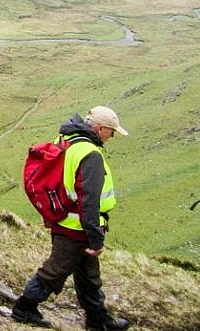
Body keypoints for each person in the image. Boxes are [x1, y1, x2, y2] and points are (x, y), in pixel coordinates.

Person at [11, 106, 130, 330]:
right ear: (100, 128)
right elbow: (89, 200)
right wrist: (96, 238)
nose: (112, 136)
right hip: (76, 228)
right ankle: (24, 307)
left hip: (67, 220)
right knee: (55, 271)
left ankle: (98, 320)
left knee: (88, 276)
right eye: (111, 131)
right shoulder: (90, 154)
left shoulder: (66, 140)